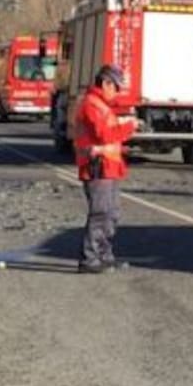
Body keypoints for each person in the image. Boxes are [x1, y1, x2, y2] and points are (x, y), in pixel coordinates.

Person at [74, 65, 138, 273]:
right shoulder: (92, 104)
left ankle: (104, 255)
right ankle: (90, 258)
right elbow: (105, 134)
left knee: (111, 213)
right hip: (97, 167)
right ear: (105, 83)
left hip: (107, 166)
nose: (117, 92)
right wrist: (129, 127)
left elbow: (106, 136)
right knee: (100, 213)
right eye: (116, 87)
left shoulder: (101, 104)